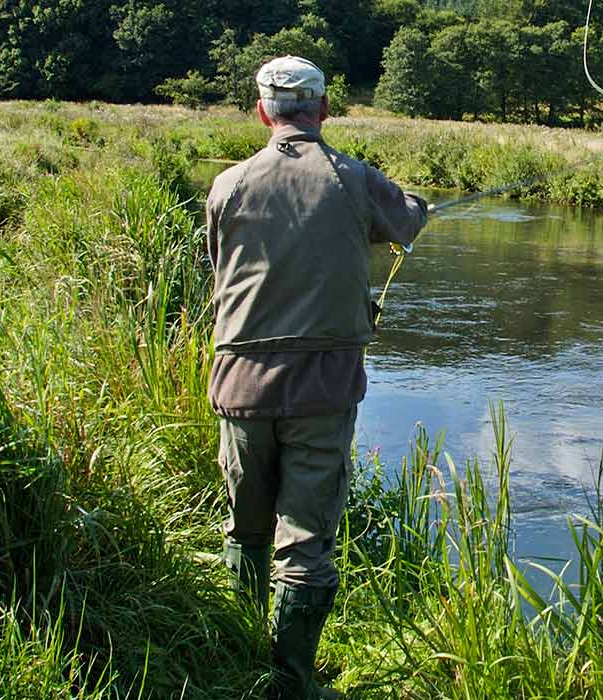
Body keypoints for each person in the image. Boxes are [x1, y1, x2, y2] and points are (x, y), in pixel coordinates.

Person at [205, 55, 428, 700]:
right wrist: (418, 207)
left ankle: (242, 655)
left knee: (246, 525)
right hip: (323, 390)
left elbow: (223, 266)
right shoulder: (353, 178)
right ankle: (290, 682)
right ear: (323, 110)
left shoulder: (228, 185)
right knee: (305, 541)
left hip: (240, 386)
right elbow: (406, 222)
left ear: (262, 112)